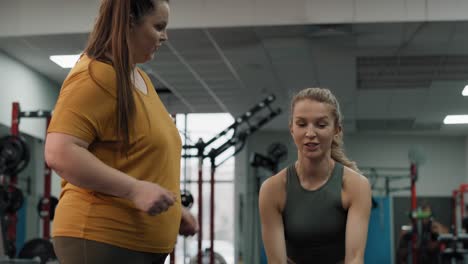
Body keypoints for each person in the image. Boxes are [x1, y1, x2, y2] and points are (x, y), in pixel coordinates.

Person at [44, 0, 197, 263]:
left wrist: (172, 209)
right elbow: (60, 151)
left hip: (137, 244)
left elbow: (139, 160)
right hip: (100, 238)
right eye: (158, 26)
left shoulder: (139, 79)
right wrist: (135, 190)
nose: (165, 36)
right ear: (128, 23)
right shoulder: (94, 75)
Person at [259, 88, 372, 264]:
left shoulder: (356, 185)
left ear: (336, 129)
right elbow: (276, 262)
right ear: (292, 129)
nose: (310, 133)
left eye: (321, 125)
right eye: (302, 124)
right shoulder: (272, 189)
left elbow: (355, 259)